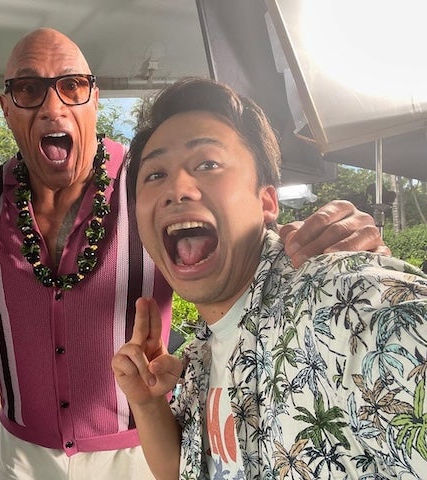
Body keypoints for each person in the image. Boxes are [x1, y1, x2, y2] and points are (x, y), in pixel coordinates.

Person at [0, 29, 390, 480]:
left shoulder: (153, 186)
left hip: (140, 450)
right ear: (6, 109)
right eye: (29, 89)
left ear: (94, 100)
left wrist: (324, 238)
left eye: (72, 87)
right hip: (20, 455)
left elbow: (241, 239)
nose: (53, 108)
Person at [112, 77, 427, 480]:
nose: (177, 188)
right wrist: (147, 403)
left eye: (207, 164)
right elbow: (187, 471)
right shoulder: (198, 358)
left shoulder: (351, 308)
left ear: (266, 201)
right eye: (155, 175)